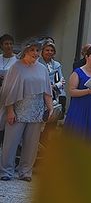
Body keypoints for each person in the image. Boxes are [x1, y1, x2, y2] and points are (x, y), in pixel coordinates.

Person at [0, 39, 53, 181]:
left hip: (36, 110)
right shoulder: (16, 67)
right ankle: (6, 171)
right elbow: (7, 91)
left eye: (37, 50)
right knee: (10, 143)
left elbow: (47, 91)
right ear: (25, 51)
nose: (36, 53)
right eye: (32, 50)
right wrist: (10, 111)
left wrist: (50, 108)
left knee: (31, 144)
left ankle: (25, 172)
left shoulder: (42, 68)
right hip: (18, 110)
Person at [64, 46, 91, 146]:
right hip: (80, 107)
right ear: (86, 57)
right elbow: (71, 91)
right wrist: (87, 91)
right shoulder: (77, 72)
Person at [39, 39, 66, 113]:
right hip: (41, 95)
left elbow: (62, 81)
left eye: (52, 50)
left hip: (55, 96)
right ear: (42, 51)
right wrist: (55, 85)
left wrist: (56, 86)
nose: (49, 52)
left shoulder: (57, 65)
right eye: (47, 50)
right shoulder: (37, 64)